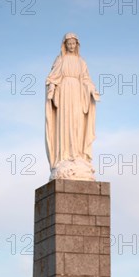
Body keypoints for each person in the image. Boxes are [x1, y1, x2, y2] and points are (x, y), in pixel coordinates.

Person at [45, 33, 100, 180]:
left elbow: (86, 79)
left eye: (73, 43)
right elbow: (53, 77)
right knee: (65, 123)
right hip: (64, 95)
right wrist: (52, 88)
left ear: (77, 45)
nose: (71, 46)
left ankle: (78, 155)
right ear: (65, 44)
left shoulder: (82, 62)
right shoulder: (60, 59)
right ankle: (65, 156)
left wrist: (92, 89)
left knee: (77, 124)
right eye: (68, 43)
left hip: (77, 94)